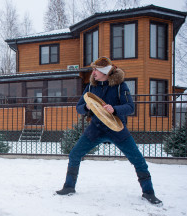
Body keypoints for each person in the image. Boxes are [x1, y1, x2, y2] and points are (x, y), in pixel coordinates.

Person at [55, 56, 162, 205]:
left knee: (138, 160)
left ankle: (148, 192)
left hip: (117, 129)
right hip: (96, 129)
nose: (93, 73)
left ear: (105, 72)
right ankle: (69, 187)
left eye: (96, 70)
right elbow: (79, 107)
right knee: (75, 154)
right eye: (93, 69)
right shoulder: (91, 87)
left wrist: (115, 109)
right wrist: (86, 107)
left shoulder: (120, 86)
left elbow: (130, 107)